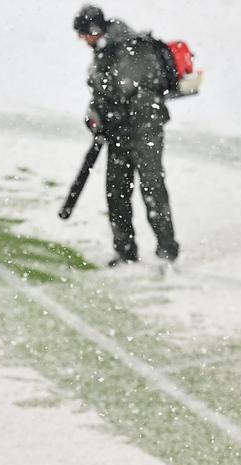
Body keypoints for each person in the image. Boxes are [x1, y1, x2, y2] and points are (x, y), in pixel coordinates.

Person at [74, 5, 179, 268]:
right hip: (119, 131)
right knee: (116, 190)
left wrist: (109, 113)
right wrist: (95, 114)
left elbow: (129, 91)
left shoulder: (130, 48)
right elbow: (103, 93)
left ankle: (167, 250)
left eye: (84, 34)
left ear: (95, 30)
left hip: (145, 129)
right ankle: (125, 251)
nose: (83, 40)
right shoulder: (103, 51)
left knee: (151, 186)